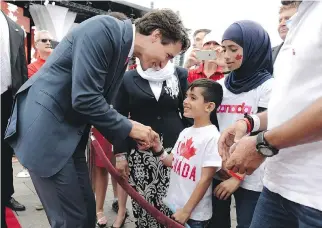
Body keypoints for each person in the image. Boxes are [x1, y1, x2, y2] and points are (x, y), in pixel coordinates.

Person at [4, 9, 190, 228]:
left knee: (85, 215)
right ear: (156, 35)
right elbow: (85, 99)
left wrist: (132, 134)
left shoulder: (121, 47)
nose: (164, 63)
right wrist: (130, 127)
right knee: (70, 220)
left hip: (67, 135)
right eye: (168, 55)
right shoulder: (104, 28)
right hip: (47, 133)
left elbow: (98, 104)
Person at [219, 1, 322, 227]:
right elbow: (294, 104)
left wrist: (263, 143)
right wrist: (249, 123)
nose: (226, 55)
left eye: (233, 49)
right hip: (277, 186)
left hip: (314, 198)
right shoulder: (302, 20)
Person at [210, 20, 274, 228]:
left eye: (233, 49)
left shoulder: (267, 87)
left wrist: (237, 178)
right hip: (220, 171)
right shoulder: (221, 86)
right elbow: (213, 130)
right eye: (224, 49)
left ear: (253, 49)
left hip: (252, 177)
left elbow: (268, 131)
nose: (226, 56)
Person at [113, 61, 190, 228]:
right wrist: (120, 154)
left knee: (174, 204)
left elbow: (188, 113)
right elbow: (118, 118)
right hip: (140, 153)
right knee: (144, 204)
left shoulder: (179, 74)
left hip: (174, 150)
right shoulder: (128, 78)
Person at [151, 79, 223, 228]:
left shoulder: (213, 137)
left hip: (193, 215)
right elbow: (172, 162)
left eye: (193, 98)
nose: (185, 101)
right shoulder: (185, 132)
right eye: (186, 96)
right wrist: (158, 147)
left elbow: (206, 179)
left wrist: (186, 211)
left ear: (209, 106)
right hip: (175, 206)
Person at [0, 11, 27, 228]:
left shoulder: (15, 29)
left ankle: (6, 194)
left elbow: (22, 72)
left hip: (7, 98)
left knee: (5, 150)